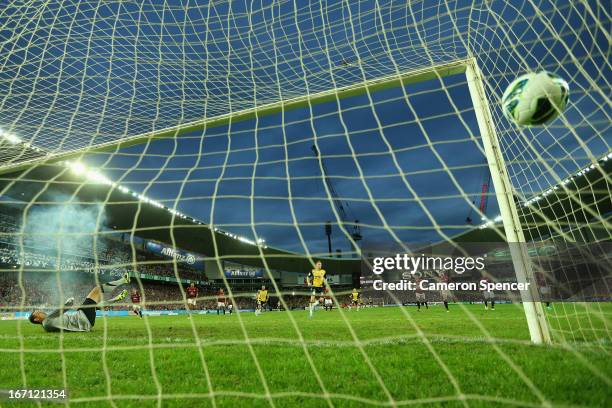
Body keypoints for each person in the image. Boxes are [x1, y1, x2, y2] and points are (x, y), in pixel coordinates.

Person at [28, 273, 130, 332]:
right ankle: (123, 280)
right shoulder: (47, 321)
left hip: (82, 320)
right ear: (37, 319)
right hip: (83, 319)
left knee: (95, 306)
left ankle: (115, 300)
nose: (40, 311)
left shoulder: (47, 325)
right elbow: (62, 310)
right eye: (38, 312)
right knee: (97, 289)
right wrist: (69, 302)